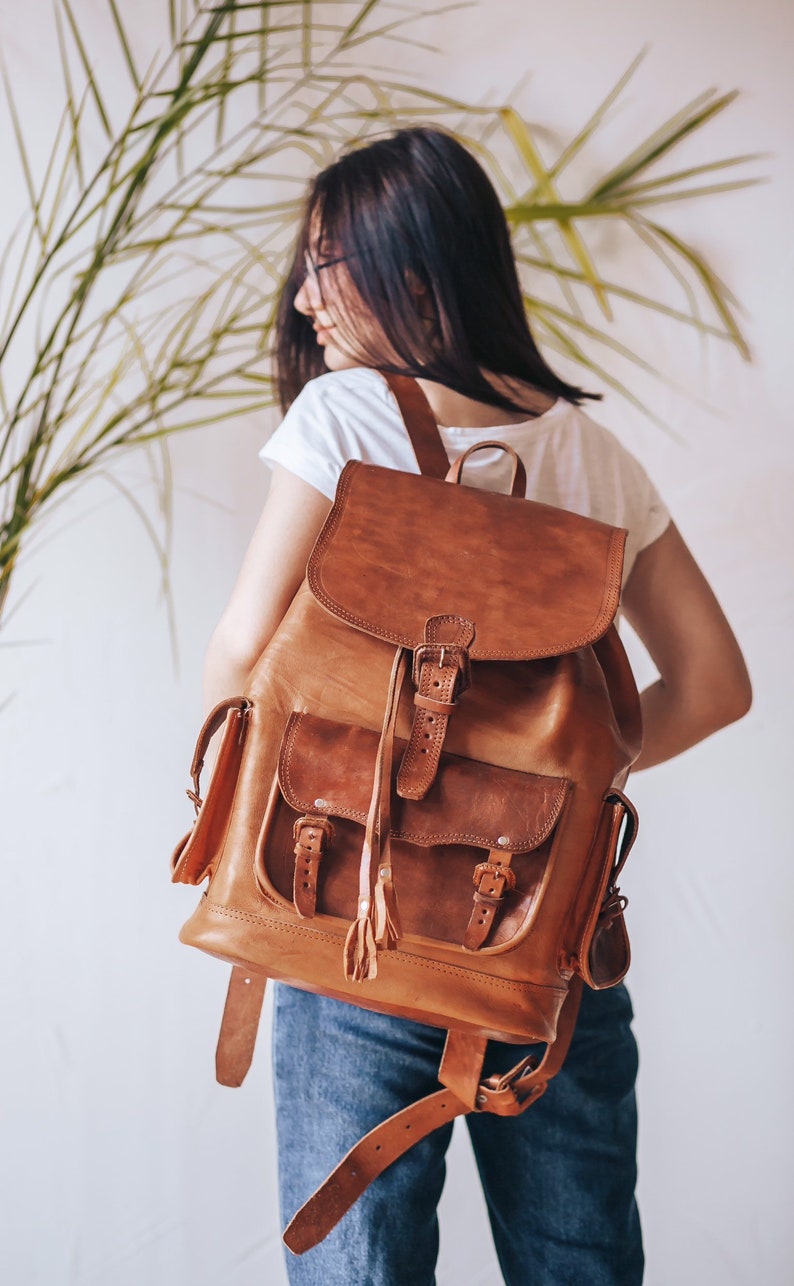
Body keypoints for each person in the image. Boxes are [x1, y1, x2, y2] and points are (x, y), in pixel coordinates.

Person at [202, 127, 751, 1286]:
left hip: (360, 926)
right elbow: (714, 685)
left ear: (412, 271)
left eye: (323, 261)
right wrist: (544, 782)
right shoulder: (591, 453)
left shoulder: (344, 420)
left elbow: (243, 657)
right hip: (543, 947)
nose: (302, 300)